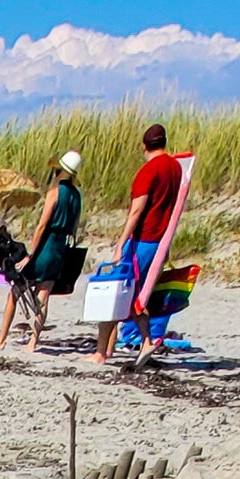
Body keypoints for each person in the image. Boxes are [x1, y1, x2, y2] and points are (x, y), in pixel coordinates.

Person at [96, 123, 184, 363]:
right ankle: (143, 342)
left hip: (143, 241)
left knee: (116, 292)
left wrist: (119, 245)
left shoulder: (149, 171)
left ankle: (101, 352)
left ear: (144, 146)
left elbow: (136, 211)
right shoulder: (176, 168)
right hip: (161, 242)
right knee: (136, 296)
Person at [0, 151, 82, 351]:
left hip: (46, 244)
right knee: (44, 294)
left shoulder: (55, 193)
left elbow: (42, 225)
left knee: (15, 292)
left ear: (58, 170)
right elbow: (74, 227)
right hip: (60, 247)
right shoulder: (76, 195)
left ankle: (1, 339)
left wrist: (30, 254)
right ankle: (33, 342)